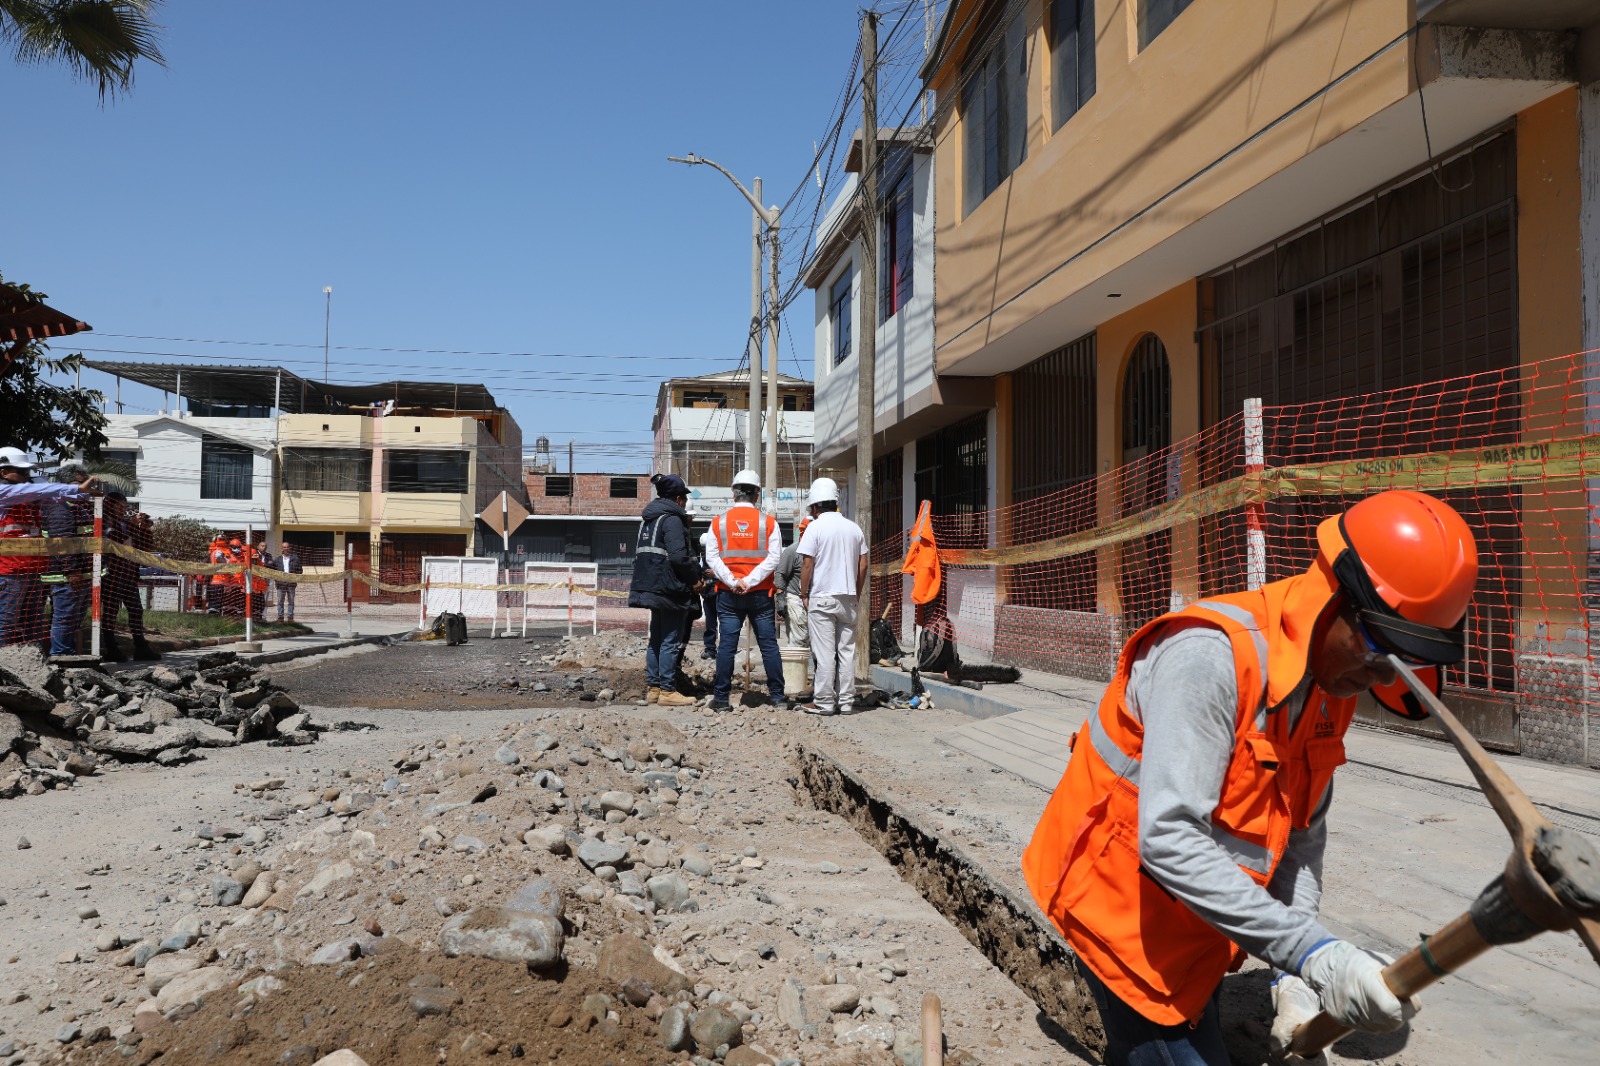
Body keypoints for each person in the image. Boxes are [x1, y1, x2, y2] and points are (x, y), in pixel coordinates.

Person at [1021, 490, 1479, 1066]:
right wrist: (1312, 952)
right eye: (1374, 647)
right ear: (1335, 596)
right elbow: (1167, 838)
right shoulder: (1208, 659)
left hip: (1199, 923)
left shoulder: (1332, 682)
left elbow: (1303, 840)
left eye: (1398, 660)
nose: (1375, 674)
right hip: (1120, 912)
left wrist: (1298, 976)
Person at [703, 469, 786, 713]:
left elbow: (712, 557)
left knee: (727, 645)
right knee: (768, 645)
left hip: (729, 594)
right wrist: (750, 580)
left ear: (733, 493)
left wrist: (732, 581)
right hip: (760, 594)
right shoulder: (769, 523)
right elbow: (774, 557)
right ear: (757, 494)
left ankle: (720, 699)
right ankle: (778, 697)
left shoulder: (718, 522)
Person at [796, 478, 868, 716]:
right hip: (848, 599)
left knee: (825, 653)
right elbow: (863, 563)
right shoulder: (853, 528)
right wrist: (855, 592)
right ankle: (846, 703)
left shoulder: (815, 527)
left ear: (815, 506)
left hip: (822, 598)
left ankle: (825, 702)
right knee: (846, 653)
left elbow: (807, 564)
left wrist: (803, 593)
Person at [627, 473, 699, 707]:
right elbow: (679, 557)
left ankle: (654, 688)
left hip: (650, 586)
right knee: (670, 640)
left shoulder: (649, 520)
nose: (685, 504)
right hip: (670, 588)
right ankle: (668, 690)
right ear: (678, 499)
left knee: (655, 639)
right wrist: (695, 578)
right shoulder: (672, 520)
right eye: (685, 499)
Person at [0, 448, 81, 648]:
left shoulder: (27, 498)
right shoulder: (5, 493)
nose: (27, 477)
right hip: (9, 572)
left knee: (33, 624)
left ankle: (33, 668)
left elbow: (51, 495)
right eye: (21, 472)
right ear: (3, 472)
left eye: (28, 472)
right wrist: (77, 489)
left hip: (32, 571)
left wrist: (81, 493)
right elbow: (37, 490)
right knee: (6, 623)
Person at [40, 464, 98, 658]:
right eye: (79, 483)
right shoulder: (58, 506)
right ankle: (61, 656)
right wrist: (72, 570)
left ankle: (68, 655)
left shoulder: (81, 507)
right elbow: (62, 541)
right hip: (65, 576)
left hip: (81, 573)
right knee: (65, 617)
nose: (84, 487)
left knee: (75, 618)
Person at [102, 490, 159, 661]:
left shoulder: (125, 523)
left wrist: (145, 529)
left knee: (136, 610)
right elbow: (115, 541)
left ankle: (141, 647)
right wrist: (133, 524)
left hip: (128, 573)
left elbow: (143, 546)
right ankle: (111, 648)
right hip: (112, 573)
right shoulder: (104, 521)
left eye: (124, 507)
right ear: (110, 505)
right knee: (111, 611)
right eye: (119, 506)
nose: (122, 510)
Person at [774, 516, 810, 647]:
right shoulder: (792, 551)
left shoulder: (820, 549)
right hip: (796, 599)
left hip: (815, 599)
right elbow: (780, 574)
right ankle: (795, 667)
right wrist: (781, 599)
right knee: (799, 639)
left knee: (813, 641)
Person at [697, 528, 720, 661]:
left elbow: (727, 574)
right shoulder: (704, 558)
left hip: (719, 594)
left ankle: (725, 650)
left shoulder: (720, 558)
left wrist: (715, 574)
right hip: (709, 595)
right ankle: (710, 649)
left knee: (724, 623)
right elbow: (701, 573)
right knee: (710, 624)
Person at [274, 542, 303, 622]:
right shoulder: (277, 559)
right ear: (282, 549)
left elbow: (300, 570)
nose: (286, 548)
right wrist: (277, 580)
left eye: (287, 547)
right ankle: (280, 617)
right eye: (284, 547)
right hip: (280, 584)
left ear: (290, 548)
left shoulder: (295, 559)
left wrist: (294, 577)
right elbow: (273, 571)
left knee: (291, 601)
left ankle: (290, 617)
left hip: (291, 583)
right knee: (280, 601)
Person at [206, 534, 230, 614]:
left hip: (218, 580)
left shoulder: (217, 551)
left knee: (217, 602)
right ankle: (214, 616)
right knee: (216, 602)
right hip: (219, 580)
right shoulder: (218, 552)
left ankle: (216, 614)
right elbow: (222, 562)